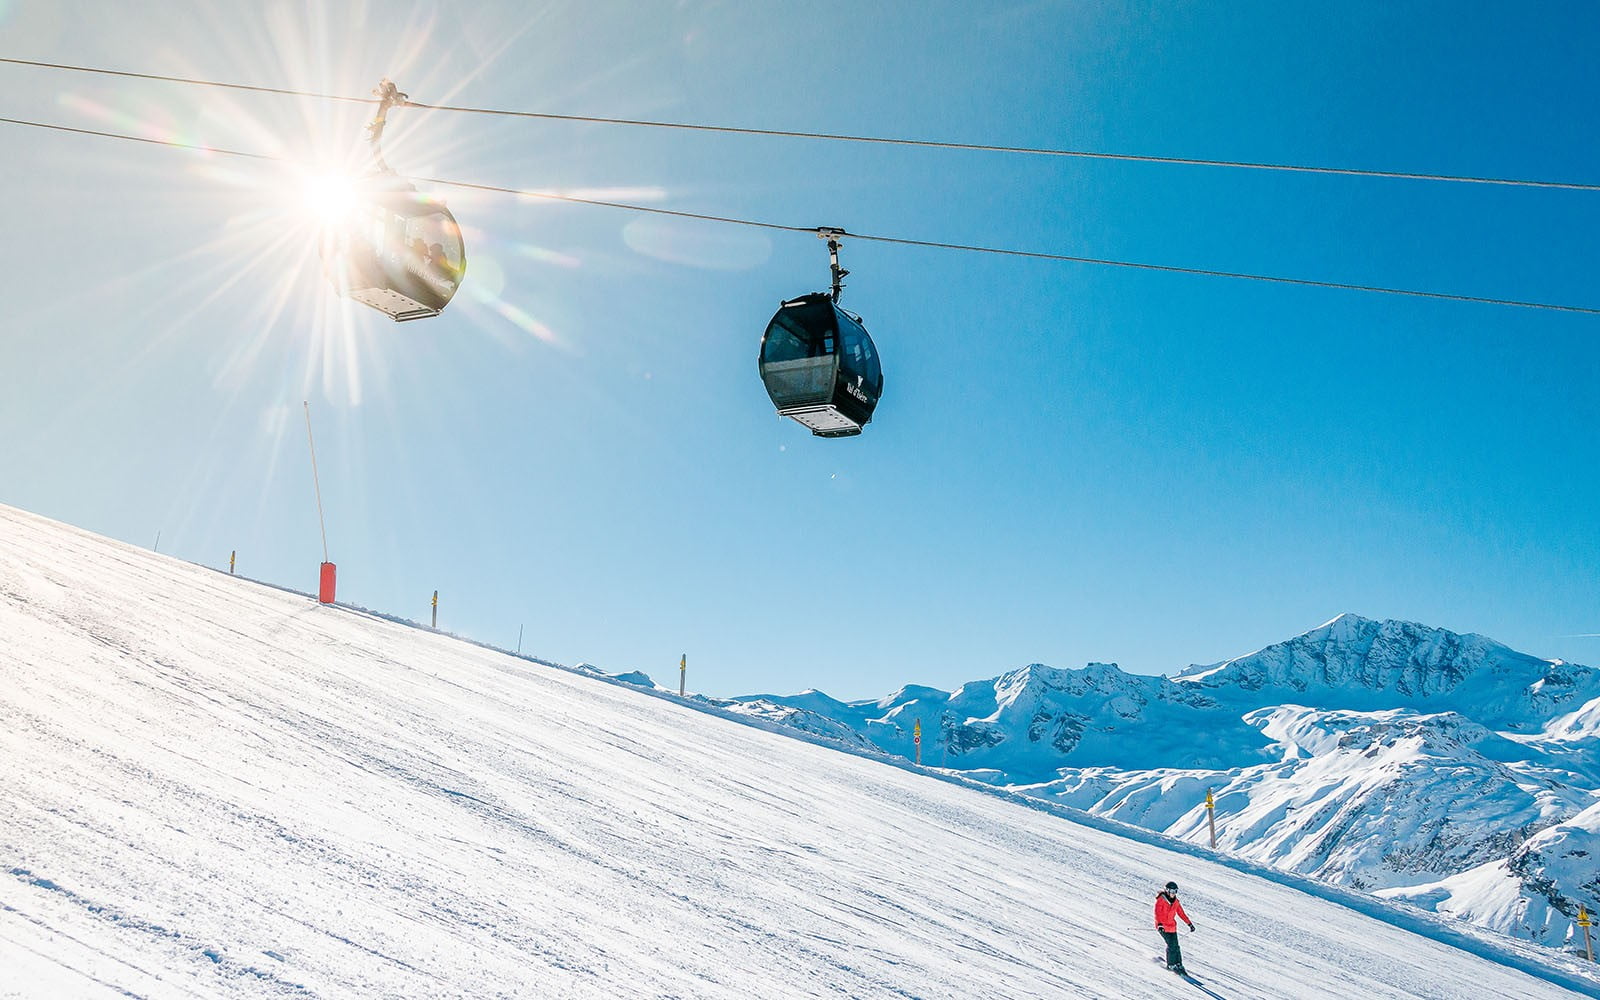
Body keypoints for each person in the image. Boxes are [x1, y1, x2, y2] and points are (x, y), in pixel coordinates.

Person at [1154, 881, 1195, 975]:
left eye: (1175, 891)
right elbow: (1157, 913)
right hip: (1163, 927)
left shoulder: (1176, 902)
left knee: (1176, 946)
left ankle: (1178, 963)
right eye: (1172, 891)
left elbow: (1181, 913)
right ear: (1167, 891)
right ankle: (1171, 964)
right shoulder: (1161, 900)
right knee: (1171, 945)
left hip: (1172, 927)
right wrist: (1160, 924)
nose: (1173, 893)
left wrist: (1189, 924)